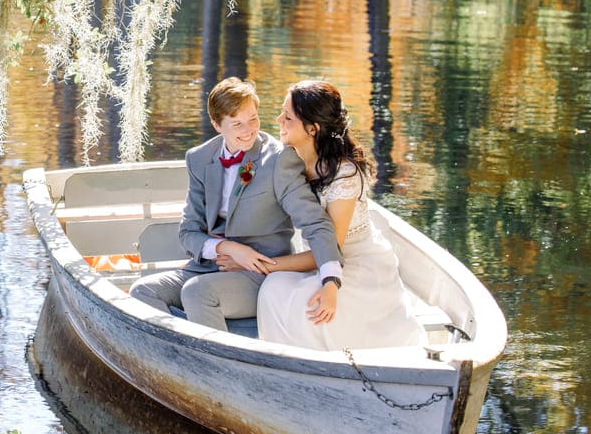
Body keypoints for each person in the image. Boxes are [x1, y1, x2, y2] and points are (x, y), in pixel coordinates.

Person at [129, 77, 344, 331]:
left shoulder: (278, 160)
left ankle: (215, 368)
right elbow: (189, 233)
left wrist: (331, 278)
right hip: (205, 267)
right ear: (217, 125)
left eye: (253, 119)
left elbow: (315, 222)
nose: (248, 130)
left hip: (260, 274)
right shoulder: (199, 159)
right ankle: (176, 359)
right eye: (237, 124)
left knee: (198, 293)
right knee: (142, 291)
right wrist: (227, 247)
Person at [254, 80, 426, 350]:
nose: (278, 121)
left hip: (352, 264)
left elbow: (331, 249)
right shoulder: (289, 159)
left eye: (287, 117)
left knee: (304, 304)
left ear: (313, 129)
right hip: (315, 258)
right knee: (274, 287)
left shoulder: (344, 174)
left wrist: (262, 264)